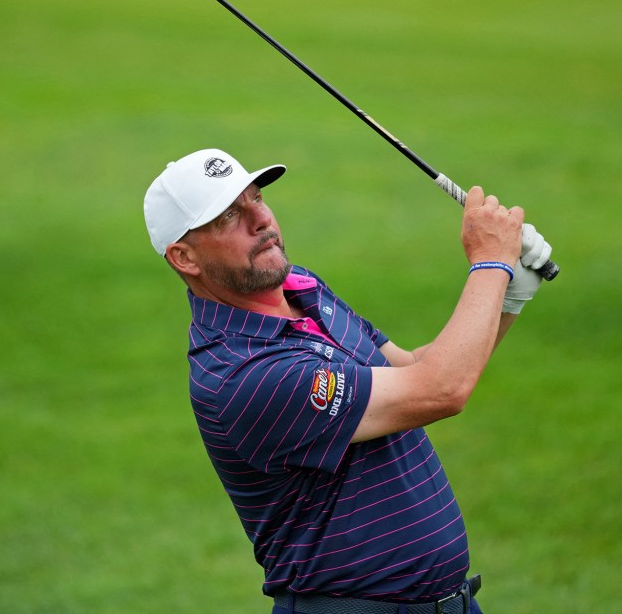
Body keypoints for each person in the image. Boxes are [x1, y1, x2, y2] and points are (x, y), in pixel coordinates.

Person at [144, 148, 552, 614]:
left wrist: (508, 295)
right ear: (184, 257)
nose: (260, 219)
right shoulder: (244, 376)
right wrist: (490, 264)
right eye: (227, 218)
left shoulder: (301, 289)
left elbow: (410, 371)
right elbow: (439, 390)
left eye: (256, 197)